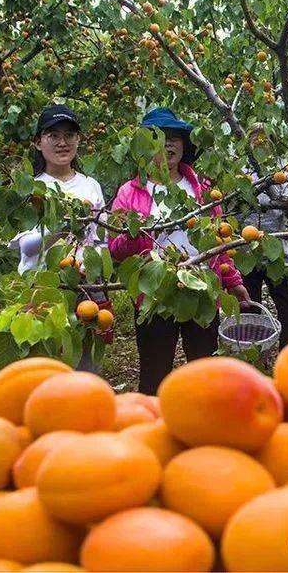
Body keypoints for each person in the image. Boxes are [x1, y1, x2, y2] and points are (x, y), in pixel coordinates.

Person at [108, 107, 250, 394]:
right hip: (155, 295)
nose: (168, 144)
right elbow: (116, 248)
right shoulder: (130, 192)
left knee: (204, 368)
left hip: (201, 292)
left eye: (174, 138)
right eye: (158, 138)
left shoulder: (202, 189)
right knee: (154, 373)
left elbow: (218, 243)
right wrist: (140, 230)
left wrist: (233, 282)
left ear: (184, 146)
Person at [9, 104, 109, 372]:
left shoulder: (90, 185)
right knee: (45, 365)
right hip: (41, 288)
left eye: (70, 135)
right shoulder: (30, 188)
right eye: (53, 135)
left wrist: (94, 269)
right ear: (38, 142)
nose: (62, 143)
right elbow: (27, 248)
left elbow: (101, 240)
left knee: (85, 366)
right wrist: (64, 224)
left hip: (84, 287)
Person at [239, 126, 288, 349]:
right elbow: (228, 208)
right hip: (246, 252)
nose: (259, 144)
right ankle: (253, 354)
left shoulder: (283, 173)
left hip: (277, 251)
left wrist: (286, 201)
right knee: (248, 308)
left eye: (264, 140)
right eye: (254, 139)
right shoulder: (240, 173)